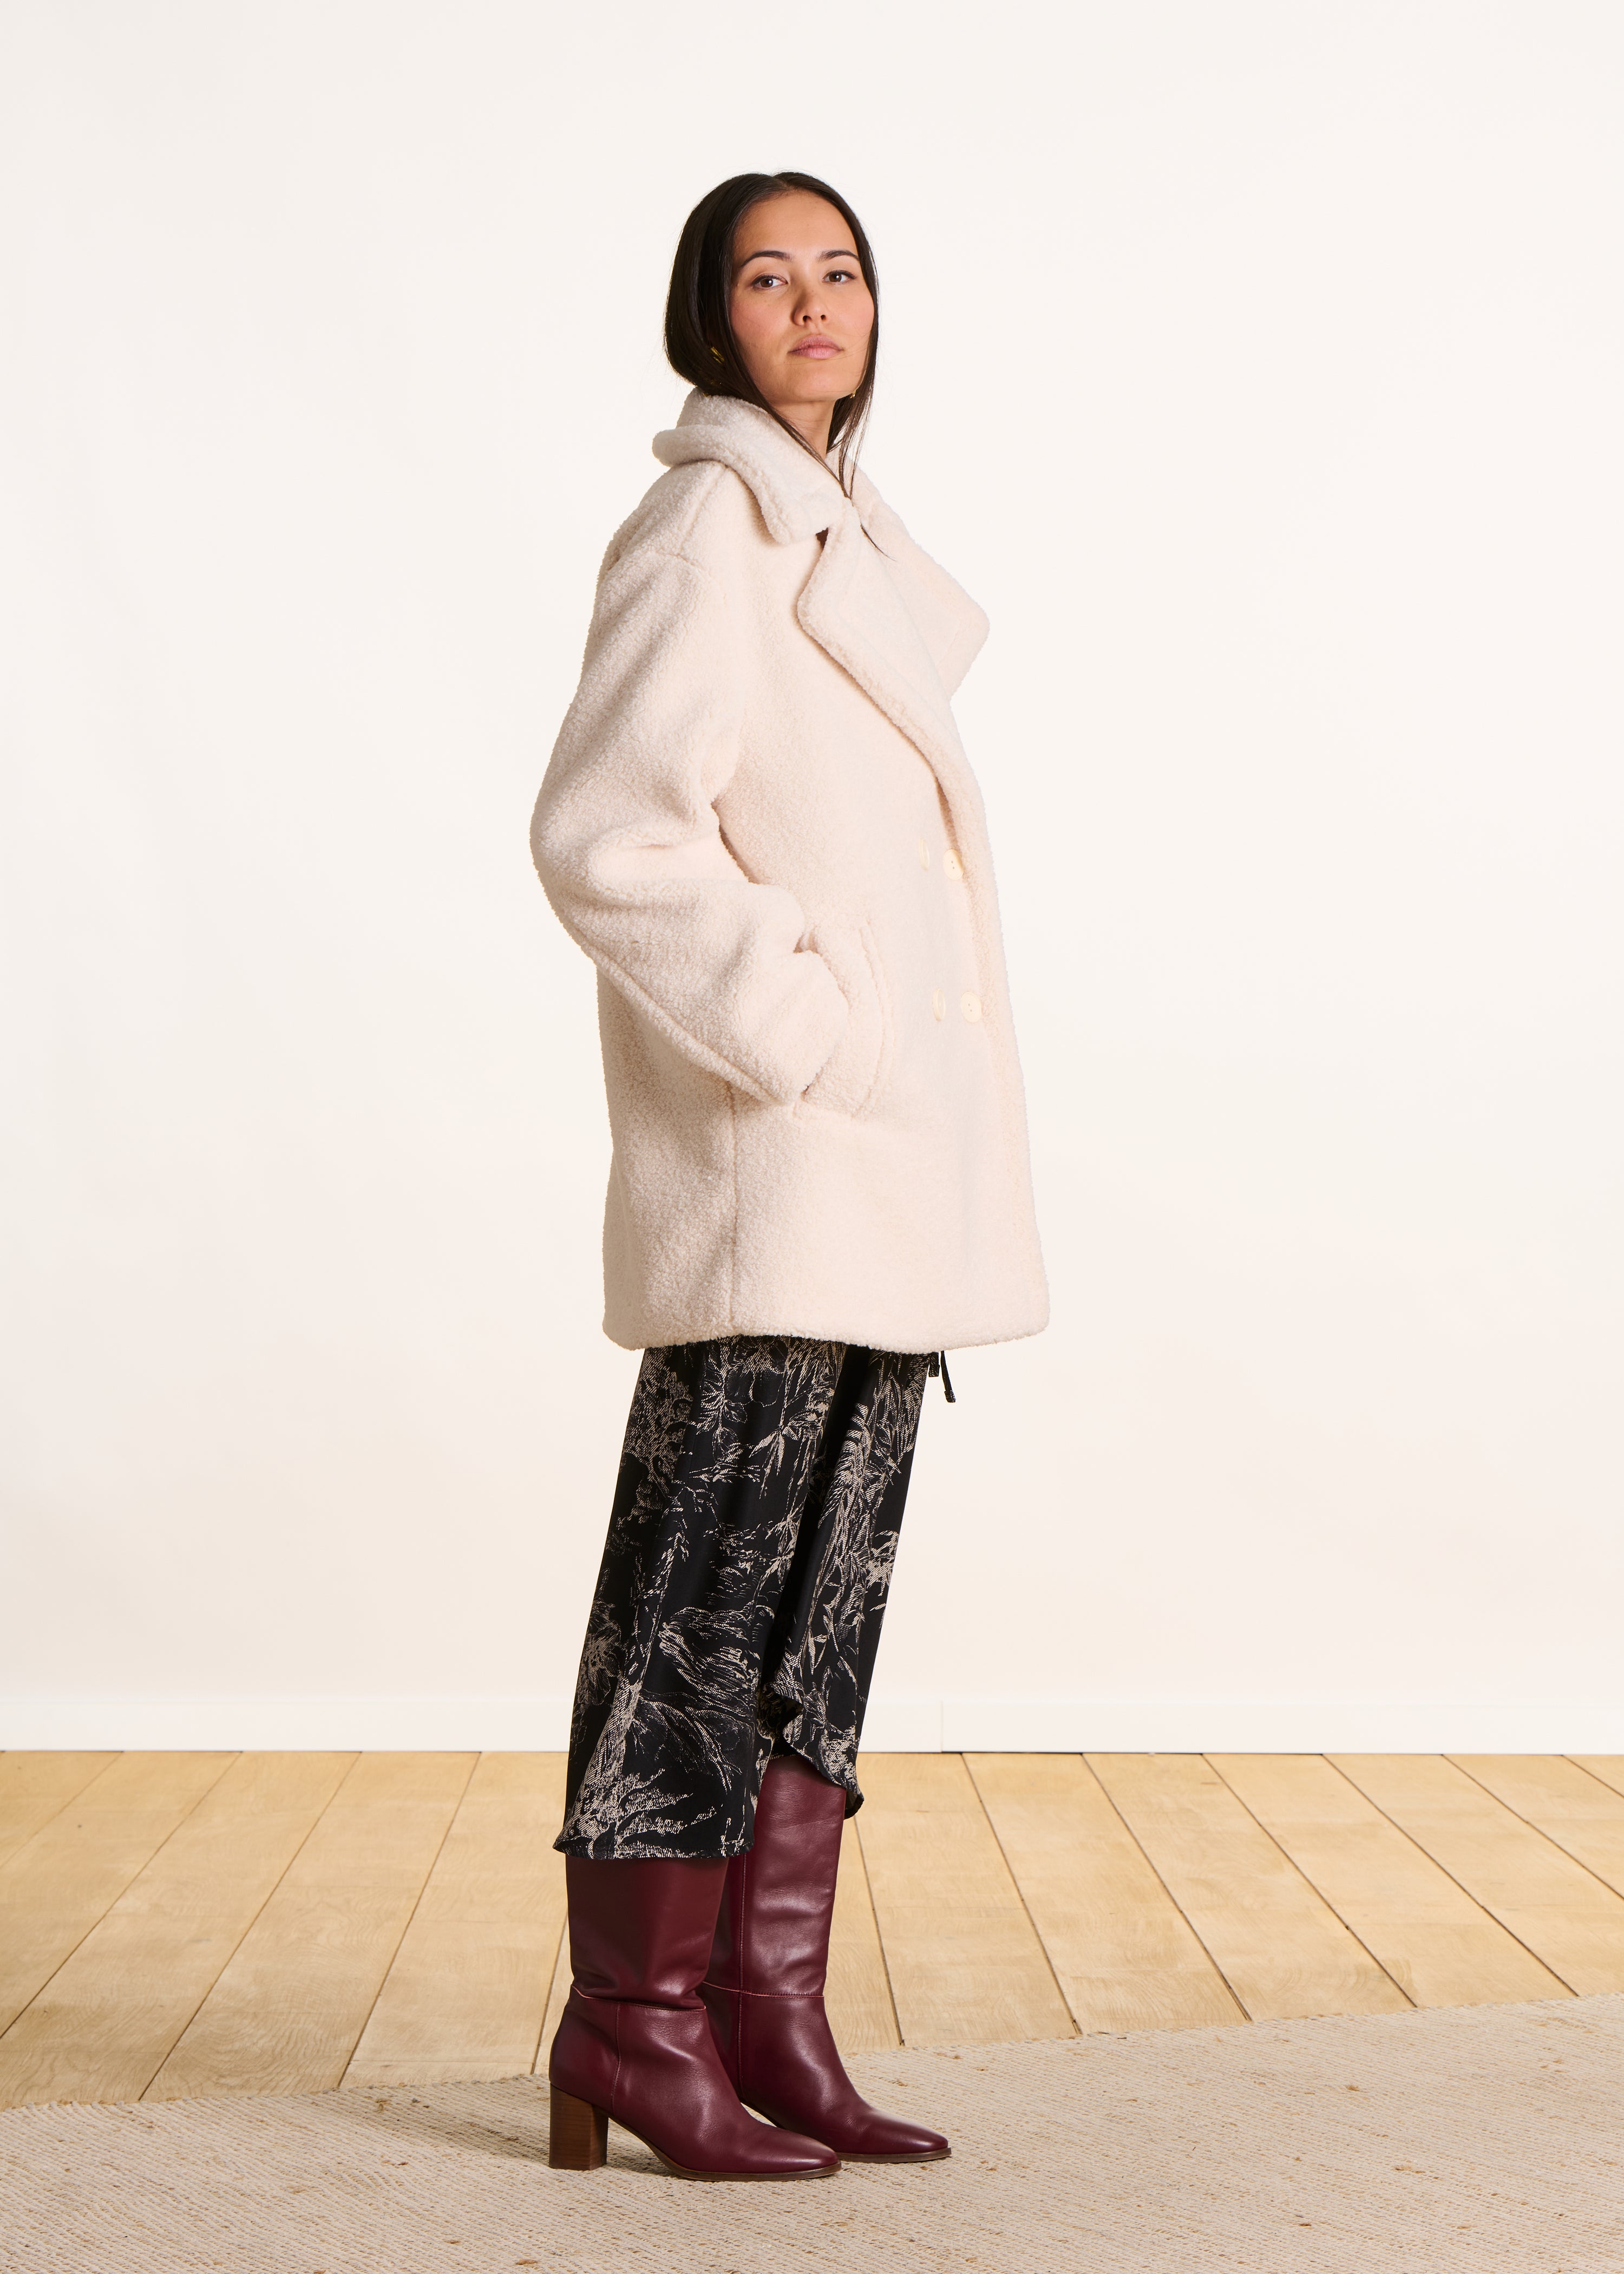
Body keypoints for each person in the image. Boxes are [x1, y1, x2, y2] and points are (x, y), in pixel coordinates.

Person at [530, 169, 1046, 2182]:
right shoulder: (706, 531)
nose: (817, 303)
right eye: (771, 276)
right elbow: (606, 835)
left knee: (817, 1616)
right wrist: (811, 1030)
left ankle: (766, 2013)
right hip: (777, 1167)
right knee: (698, 1605)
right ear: (711, 319)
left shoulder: (844, 539)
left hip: (877, 1181)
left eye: (843, 272)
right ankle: (633, 2023)